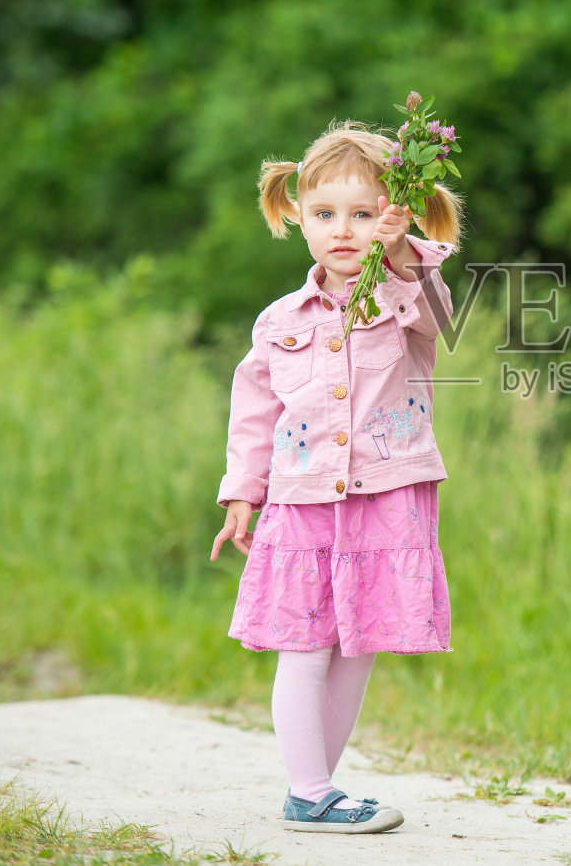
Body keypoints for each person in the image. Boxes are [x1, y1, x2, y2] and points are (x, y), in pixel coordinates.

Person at [209, 121, 465, 834]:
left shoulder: (408, 298)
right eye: (325, 214)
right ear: (298, 217)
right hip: (302, 502)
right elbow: (254, 413)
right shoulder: (279, 320)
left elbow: (444, 322)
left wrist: (402, 255)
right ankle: (310, 790)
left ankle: (314, 788)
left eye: (363, 214)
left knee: (360, 646)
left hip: (385, 499)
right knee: (305, 642)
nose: (342, 230)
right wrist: (240, 492)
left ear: (393, 216)